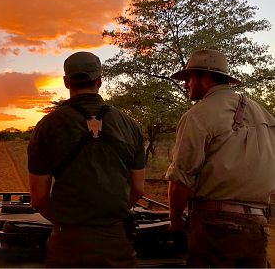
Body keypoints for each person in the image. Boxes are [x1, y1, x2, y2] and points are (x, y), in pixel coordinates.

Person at [27, 51, 146, 268]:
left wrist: (69, 220)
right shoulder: (129, 125)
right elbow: (138, 188)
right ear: (100, 80)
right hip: (117, 241)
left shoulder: (47, 126)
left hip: (67, 243)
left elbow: (39, 198)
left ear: (66, 82)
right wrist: (109, 216)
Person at [165, 49, 275, 268]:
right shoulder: (264, 115)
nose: (186, 85)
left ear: (205, 78)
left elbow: (180, 180)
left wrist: (176, 222)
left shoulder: (198, 115)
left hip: (215, 227)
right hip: (258, 225)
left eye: (189, 79)